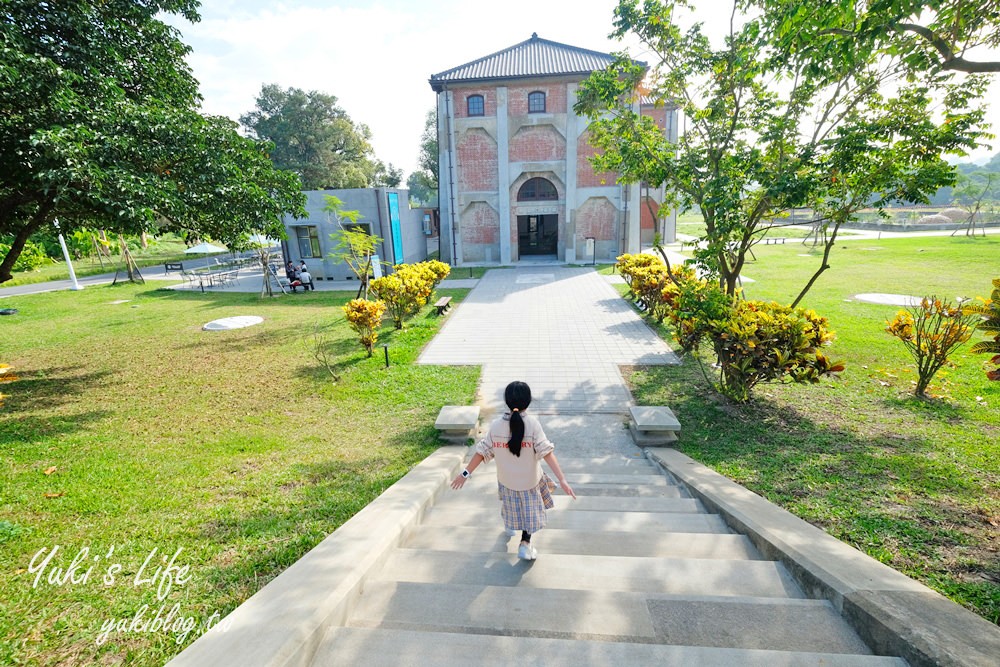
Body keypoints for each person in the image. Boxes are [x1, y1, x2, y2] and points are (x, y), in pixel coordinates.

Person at [451, 381, 576, 560]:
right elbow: (546, 452)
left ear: (507, 401)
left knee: (511, 505)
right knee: (529, 513)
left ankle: (509, 525)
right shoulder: (532, 424)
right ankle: (525, 543)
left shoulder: (496, 426)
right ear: (528, 401)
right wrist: (562, 480)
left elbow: (481, 452)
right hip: (530, 482)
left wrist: (465, 474)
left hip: (507, 481)